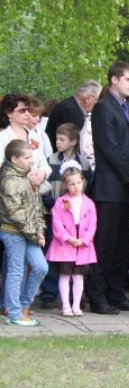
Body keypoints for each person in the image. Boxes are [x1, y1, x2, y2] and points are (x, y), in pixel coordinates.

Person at [86, 62, 129, 315]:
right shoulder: (103, 108)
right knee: (106, 244)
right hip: (110, 188)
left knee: (123, 245)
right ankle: (97, 295)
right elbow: (109, 147)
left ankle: (116, 292)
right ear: (114, 80)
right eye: (128, 79)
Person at [39, 122, 93, 309]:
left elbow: (88, 185)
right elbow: (45, 185)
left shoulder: (83, 162)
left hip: (76, 217)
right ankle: (49, 292)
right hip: (55, 213)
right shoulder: (51, 159)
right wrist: (51, 204)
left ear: (73, 141)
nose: (57, 142)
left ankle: (74, 297)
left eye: (62, 139)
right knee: (55, 254)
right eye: (56, 139)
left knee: (75, 260)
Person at [0, 140, 49, 326]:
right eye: (26, 158)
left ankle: (23, 306)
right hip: (13, 233)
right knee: (16, 272)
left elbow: (37, 207)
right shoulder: (8, 181)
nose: (30, 161)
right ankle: (14, 313)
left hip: (30, 234)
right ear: (14, 159)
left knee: (41, 267)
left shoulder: (28, 177)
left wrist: (40, 230)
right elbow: (16, 213)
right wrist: (35, 235)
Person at [46, 166, 97, 316]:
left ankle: (76, 305)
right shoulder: (61, 202)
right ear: (65, 185)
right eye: (72, 184)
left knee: (78, 276)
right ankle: (66, 306)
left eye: (78, 183)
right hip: (65, 245)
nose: (76, 187)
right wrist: (67, 238)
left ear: (83, 183)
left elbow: (92, 225)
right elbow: (57, 223)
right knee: (65, 275)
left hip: (82, 245)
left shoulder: (89, 203)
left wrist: (85, 240)